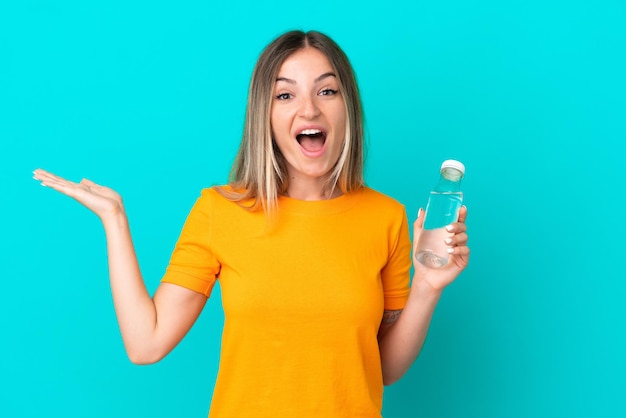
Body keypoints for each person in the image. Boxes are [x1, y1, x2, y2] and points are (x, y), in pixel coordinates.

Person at [33, 30, 469, 417]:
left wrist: (428, 287)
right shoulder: (219, 211)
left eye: (327, 92)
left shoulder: (385, 217)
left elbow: (384, 368)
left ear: (347, 107)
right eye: (285, 95)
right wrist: (114, 220)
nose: (309, 111)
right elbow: (145, 343)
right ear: (265, 114)